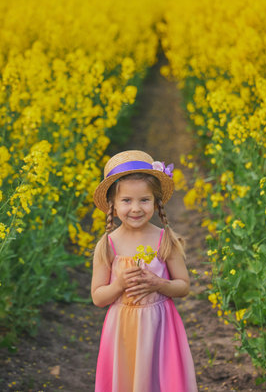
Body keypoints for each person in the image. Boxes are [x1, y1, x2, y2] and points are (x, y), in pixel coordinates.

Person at [91, 150, 198, 392]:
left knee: (158, 380)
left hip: (160, 326)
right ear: (113, 205)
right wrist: (118, 285)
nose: (136, 208)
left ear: (156, 202)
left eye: (144, 200)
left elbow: (183, 286)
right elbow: (98, 297)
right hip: (122, 330)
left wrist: (159, 284)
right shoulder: (107, 245)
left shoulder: (165, 239)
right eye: (126, 200)